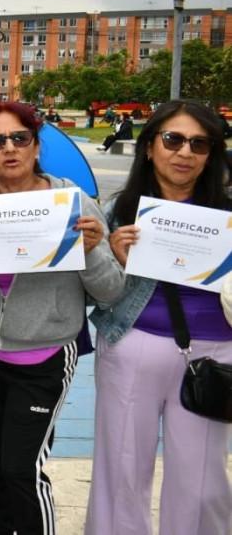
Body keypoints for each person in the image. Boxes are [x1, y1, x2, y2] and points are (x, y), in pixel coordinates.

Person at [0, 102, 124, 534]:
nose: (9, 148)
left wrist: (90, 251)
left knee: (21, 469)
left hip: (44, 357)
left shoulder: (73, 203)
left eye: (20, 138)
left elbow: (111, 291)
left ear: (35, 145)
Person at [85, 100, 232, 535]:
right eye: (173, 140)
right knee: (121, 474)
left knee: (202, 484)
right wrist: (114, 258)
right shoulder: (119, 212)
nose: (185, 152)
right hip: (133, 346)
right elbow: (98, 293)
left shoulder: (227, 214)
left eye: (199, 144)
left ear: (211, 155)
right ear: (149, 147)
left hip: (214, 356)